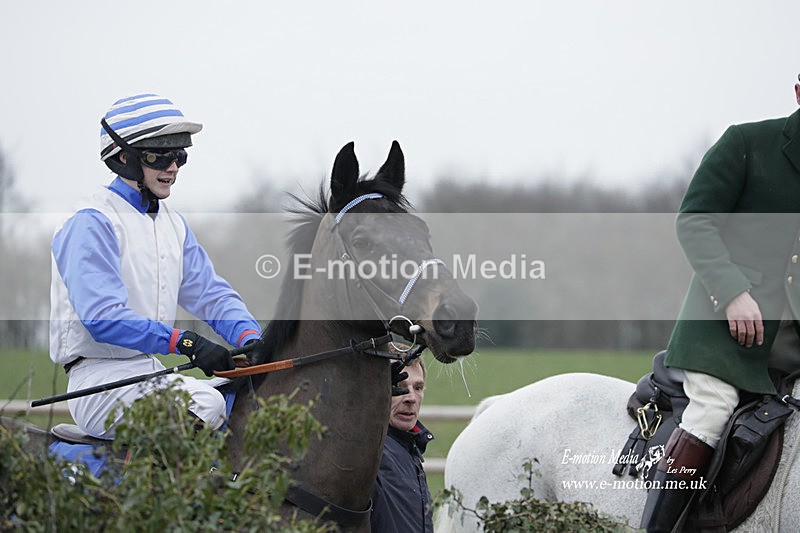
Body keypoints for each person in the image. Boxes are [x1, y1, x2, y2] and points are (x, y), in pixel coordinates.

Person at [49, 93, 261, 439]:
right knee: (206, 403)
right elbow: (102, 317)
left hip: (150, 373)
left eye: (179, 155)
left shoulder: (173, 225)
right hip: (99, 383)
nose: (173, 166)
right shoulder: (90, 222)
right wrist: (185, 342)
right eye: (158, 156)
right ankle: (153, 492)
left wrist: (252, 338)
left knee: (247, 396)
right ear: (123, 158)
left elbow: (211, 294)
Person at [641, 76, 800, 531]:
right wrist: (732, 291)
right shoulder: (748, 143)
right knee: (713, 412)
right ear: (798, 92)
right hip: (725, 333)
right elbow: (694, 219)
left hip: (792, 344)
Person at [370, 356, 435, 532]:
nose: (411, 398)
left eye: (418, 387)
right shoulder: (370, 449)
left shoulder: (410, 449)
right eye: (399, 387)